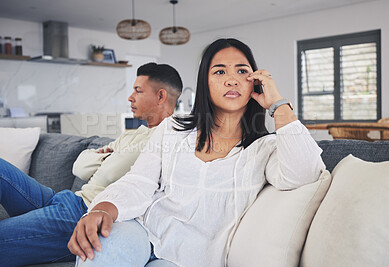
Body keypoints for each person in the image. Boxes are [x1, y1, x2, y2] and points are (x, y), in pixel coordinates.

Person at [68, 38, 326, 267]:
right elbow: (140, 180)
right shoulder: (173, 127)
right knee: (100, 247)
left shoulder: (264, 148)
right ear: (205, 81)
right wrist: (103, 207)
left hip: (191, 258)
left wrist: (278, 104)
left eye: (242, 71)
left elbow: (305, 173)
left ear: (255, 83)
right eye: (219, 71)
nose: (231, 79)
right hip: (141, 231)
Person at [0, 62, 183, 266]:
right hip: (66, 200)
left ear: (160, 96)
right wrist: (112, 157)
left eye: (138, 91)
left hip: (83, 215)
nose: (130, 97)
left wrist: (110, 157)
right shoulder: (135, 134)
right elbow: (80, 168)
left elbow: (112, 172)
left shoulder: (169, 138)